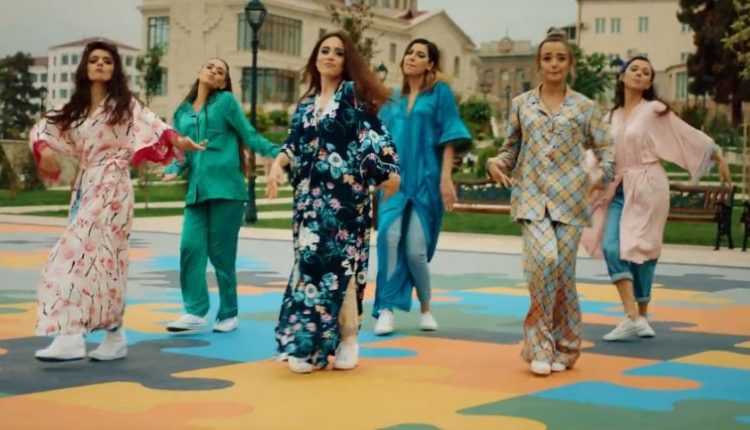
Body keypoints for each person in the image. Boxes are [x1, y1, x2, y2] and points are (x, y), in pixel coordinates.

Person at [29, 40, 203, 362]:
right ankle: (113, 335)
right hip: (85, 186)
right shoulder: (75, 109)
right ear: (85, 67)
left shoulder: (125, 106)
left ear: (115, 69)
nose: (100, 64)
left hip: (112, 187)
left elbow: (157, 126)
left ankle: (71, 336)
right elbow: (44, 129)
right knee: (104, 264)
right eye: (94, 59)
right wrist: (46, 150)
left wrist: (181, 142)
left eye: (107, 61)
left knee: (73, 255)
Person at [268, 32, 400, 373]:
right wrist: (277, 164)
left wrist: (387, 171)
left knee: (340, 269)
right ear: (315, 58)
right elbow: (293, 143)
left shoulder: (353, 97)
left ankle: (348, 339)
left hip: (345, 201)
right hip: (308, 202)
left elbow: (372, 133)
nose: (329, 56)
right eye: (324, 50)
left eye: (338, 53)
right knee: (309, 268)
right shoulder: (306, 104)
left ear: (346, 61)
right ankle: (308, 345)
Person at [486, 28, 615, 376]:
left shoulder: (585, 107)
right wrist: (495, 163)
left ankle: (567, 347)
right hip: (531, 198)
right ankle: (539, 346)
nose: (554, 63)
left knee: (562, 275)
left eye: (560, 58)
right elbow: (510, 150)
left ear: (570, 63)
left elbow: (607, 151)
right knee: (543, 263)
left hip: (571, 201)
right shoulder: (521, 104)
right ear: (539, 63)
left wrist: (598, 178)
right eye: (547, 58)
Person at [582, 56, 733, 341]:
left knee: (643, 249)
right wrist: (589, 177)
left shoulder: (654, 110)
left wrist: (717, 155)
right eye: (634, 69)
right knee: (612, 246)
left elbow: (684, 134)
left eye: (646, 72)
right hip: (618, 188)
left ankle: (640, 316)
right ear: (622, 76)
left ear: (650, 82)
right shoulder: (609, 117)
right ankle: (632, 316)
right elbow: (597, 151)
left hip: (648, 186)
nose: (639, 74)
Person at [163, 58, 280, 334]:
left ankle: (228, 313)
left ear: (223, 82)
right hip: (197, 192)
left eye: (220, 72)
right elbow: (182, 152)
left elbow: (249, 135)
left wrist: (280, 154)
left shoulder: (225, 102)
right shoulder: (181, 113)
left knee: (221, 255)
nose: (214, 72)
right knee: (190, 248)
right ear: (199, 72)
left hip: (227, 190)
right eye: (210, 67)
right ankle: (195, 311)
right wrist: (172, 169)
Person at [372, 38, 471, 335]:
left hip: (427, 181)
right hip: (394, 182)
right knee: (388, 237)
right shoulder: (391, 100)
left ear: (430, 64)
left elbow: (450, 133)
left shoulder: (439, 93)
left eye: (419, 55)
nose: (411, 58)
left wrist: (445, 178)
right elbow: (379, 140)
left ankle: (426, 307)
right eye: (409, 53)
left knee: (415, 250)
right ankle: (385, 309)